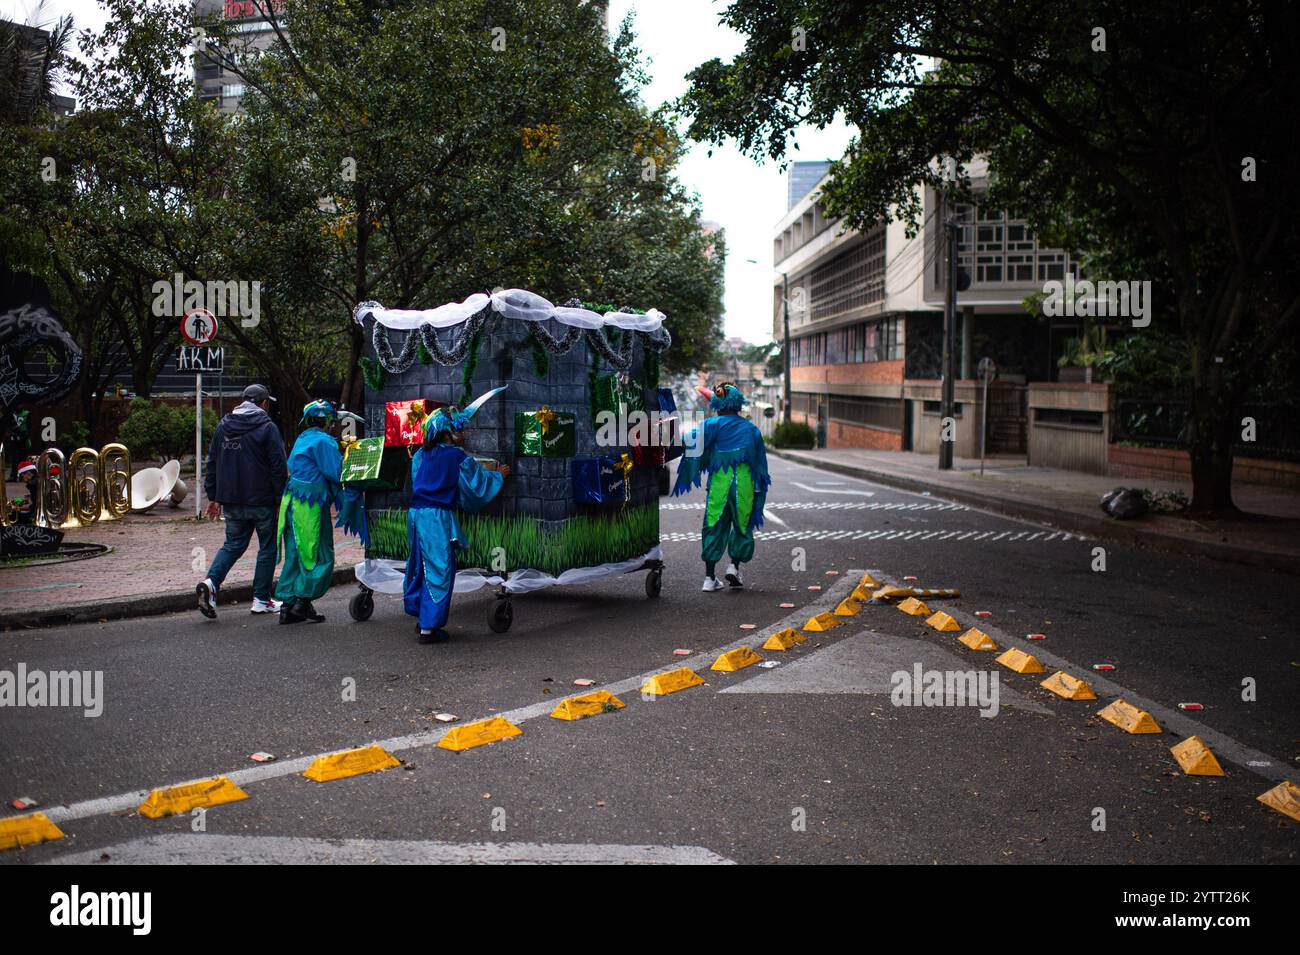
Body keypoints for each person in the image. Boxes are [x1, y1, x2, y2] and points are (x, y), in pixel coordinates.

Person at [404, 396, 509, 644]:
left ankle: (422, 618)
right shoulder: (455, 456)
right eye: (458, 429)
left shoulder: (420, 455)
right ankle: (429, 628)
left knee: (420, 566)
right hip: (436, 518)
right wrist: (498, 476)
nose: (462, 433)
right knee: (440, 568)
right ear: (447, 433)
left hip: (416, 515)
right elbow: (475, 485)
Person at [197, 384, 288, 618]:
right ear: (264, 403)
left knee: (233, 544)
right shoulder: (268, 427)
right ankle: (261, 599)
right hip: (262, 500)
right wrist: (281, 498)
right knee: (267, 547)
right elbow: (278, 466)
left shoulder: (223, 426)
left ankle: (211, 582)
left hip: (232, 500)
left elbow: (213, 462)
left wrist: (213, 497)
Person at [672, 381, 771, 592]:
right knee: (742, 525)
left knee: (713, 524)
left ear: (717, 404)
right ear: (738, 405)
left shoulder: (710, 425)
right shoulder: (752, 430)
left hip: (719, 482)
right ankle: (734, 567)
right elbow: (761, 466)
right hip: (744, 484)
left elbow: (688, 441)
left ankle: (709, 578)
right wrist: (759, 491)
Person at [275, 399, 344, 624]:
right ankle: (302, 602)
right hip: (310, 505)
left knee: (296, 553)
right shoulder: (324, 441)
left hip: (291, 501)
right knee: (317, 553)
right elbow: (336, 472)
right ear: (325, 420)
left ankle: (288, 606)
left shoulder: (302, 438)